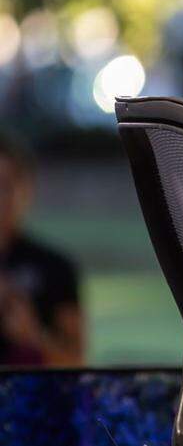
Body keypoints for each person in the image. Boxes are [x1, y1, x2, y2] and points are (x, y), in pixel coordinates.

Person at [0, 131, 84, 366]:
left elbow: (76, 364)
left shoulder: (54, 267)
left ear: (25, 189)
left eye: (7, 185)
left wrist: (33, 336)